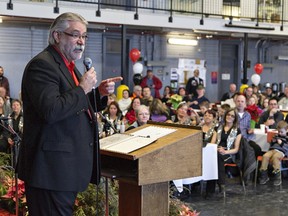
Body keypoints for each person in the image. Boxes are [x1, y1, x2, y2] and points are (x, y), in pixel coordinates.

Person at [18, 12, 122, 215]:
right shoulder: (43, 66)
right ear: (57, 36)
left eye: (84, 36)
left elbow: (73, 107)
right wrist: (82, 88)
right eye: (75, 35)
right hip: (50, 171)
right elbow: (52, 110)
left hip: (64, 171)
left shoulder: (69, 66)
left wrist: (97, 94)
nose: (81, 42)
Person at [206, 108, 242, 198]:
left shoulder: (237, 131)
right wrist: (216, 148)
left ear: (235, 118)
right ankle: (221, 184)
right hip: (216, 150)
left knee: (216, 159)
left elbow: (236, 149)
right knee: (215, 158)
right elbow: (212, 142)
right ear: (225, 115)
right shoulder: (217, 128)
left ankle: (211, 190)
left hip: (229, 153)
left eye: (232, 116)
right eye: (228, 114)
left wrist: (225, 151)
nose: (229, 117)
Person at [259, 121, 288, 186]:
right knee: (265, 156)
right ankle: (264, 175)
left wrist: (281, 143)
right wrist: (273, 141)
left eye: (282, 132)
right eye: (279, 131)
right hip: (272, 150)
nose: (280, 133)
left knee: (275, 157)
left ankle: (277, 176)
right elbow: (271, 145)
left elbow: (287, 148)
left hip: (281, 151)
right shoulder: (276, 135)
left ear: (286, 130)